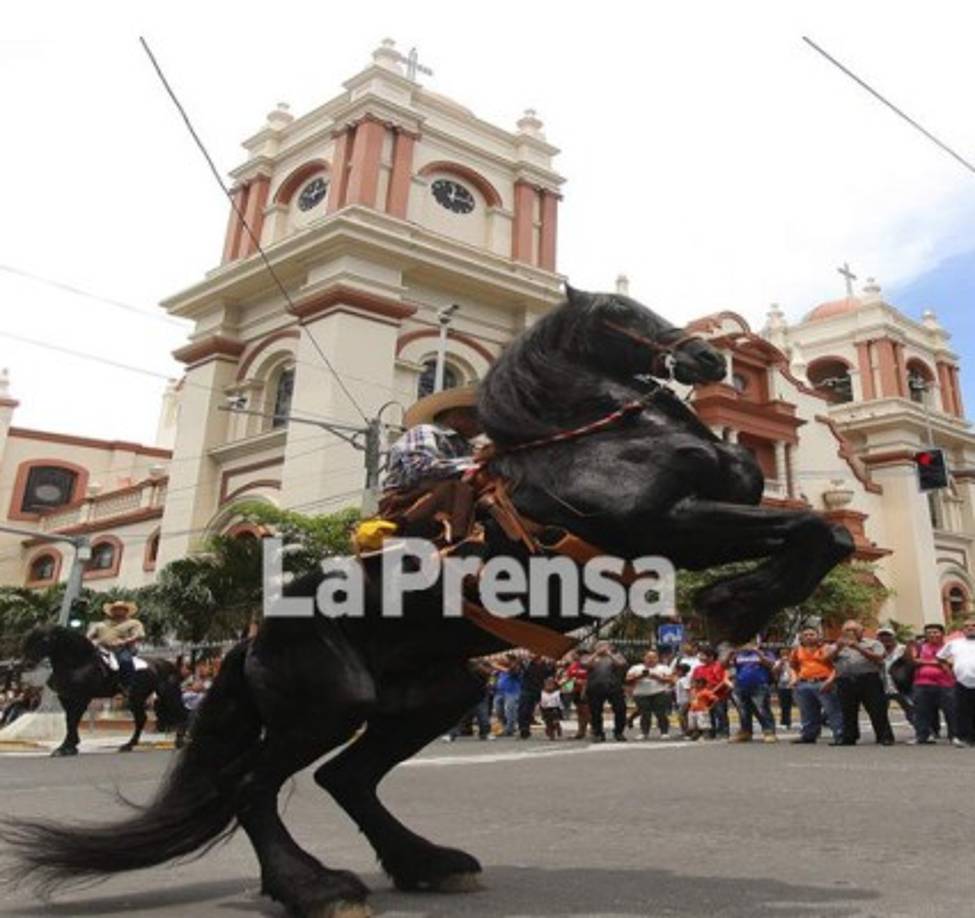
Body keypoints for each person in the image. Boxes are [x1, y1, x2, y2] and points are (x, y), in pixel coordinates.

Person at [381, 386, 483, 544]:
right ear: (457, 415)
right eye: (478, 418)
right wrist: (476, 462)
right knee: (456, 488)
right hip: (406, 501)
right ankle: (459, 541)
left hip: (444, 502)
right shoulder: (425, 431)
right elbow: (421, 468)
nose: (482, 426)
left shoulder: (466, 445)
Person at [825, 620, 895, 746]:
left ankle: (884, 736)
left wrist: (857, 647)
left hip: (869, 679)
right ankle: (849, 737)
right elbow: (827, 660)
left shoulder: (873, 643)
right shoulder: (835, 645)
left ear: (861, 631)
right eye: (847, 630)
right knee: (848, 710)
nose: (850, 633)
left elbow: (879, 658)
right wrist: (839, 648)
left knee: (877, 709)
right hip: (845, 680)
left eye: (854, 630)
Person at [789, 627, 842, 744]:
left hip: (823, 682)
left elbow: (838, 666)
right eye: (806, 635)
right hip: (804, 683)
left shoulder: (827, 649)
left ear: (819, 636)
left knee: (832, 710)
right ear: (801, 637)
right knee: (807, 711)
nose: (808, 637)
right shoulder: (797, 650)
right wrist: (794, 679)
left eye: (812, 634)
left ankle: (840, 735)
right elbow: (793, 666)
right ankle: (809, 735)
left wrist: (830, 681)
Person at [906, 623, 956, 745]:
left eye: (935, 632)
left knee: (951, 711)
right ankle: (922, 736)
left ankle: (955, 736)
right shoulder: (920, 647)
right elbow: (913, 662)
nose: (932, 635)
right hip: (922, 683)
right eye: (929, 633)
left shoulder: (950, 647)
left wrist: (924, 661)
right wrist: (939, 662)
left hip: (946, 683)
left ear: (942, 634)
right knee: (921, 711)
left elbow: (951, 662)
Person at [86, 600, 145, 689]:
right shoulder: (101, 624)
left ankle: (127, 686)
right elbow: (88, 636)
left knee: (125, 661)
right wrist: (90, 641)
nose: (118, 611)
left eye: (121, 609)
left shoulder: (133, 623)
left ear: (126, 611)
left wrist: (126, 641)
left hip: (122, 648)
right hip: (100, 648)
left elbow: (138, 635)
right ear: (112, 611)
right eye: (115, 609)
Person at [728, 642, 777, 743]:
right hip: (741, 685)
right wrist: (730, 654)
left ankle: (769, 731)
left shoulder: (766, 653)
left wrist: (757, 652)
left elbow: (770, 664)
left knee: (762, 709)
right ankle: (746, 732)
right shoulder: (739, 655)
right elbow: (727, 665)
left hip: (759, 685)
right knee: (743, 711)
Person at [938, 617, 975, 747]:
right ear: (962, 630)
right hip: (962, 682)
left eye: (973, 625)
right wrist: (949, 671)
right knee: (963, 711)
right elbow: (941, 658)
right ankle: (965, 738)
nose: (970, 628)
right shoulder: (955, 643)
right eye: (967, 626)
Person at [582, 641, 628, 742]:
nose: (602, 647)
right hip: (595, 687)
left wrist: (609, 654)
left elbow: (621, 664)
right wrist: (595, 654)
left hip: (614, 687)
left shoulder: (616, 655)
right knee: (595, 712)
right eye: (599, 645)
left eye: (604, 645)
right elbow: (585, 664)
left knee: (620, 709)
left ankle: (618, 732)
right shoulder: (588, 656)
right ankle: (598, 733)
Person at [626, 649, 674, 740]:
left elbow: (671, 680)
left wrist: (656, 677)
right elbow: (628, 680)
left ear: (657, 658)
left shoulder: (664, 668)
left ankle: (664, 732)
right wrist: (640, 676)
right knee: (645, 714)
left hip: (659, 693)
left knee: (661, 713)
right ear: (644, 658)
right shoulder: (636, 668)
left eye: (654, 657)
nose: (651, 659)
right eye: (648, 657)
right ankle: (644, 733)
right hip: (641, 694)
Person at [877, 626, 915, 726]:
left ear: (893, 637)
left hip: (901, 685)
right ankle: (886, 738)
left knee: (911, 710)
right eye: (882, 636)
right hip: (882, 686)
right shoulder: (876, 650)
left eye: (888, 635)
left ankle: (923, 734)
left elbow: (911, 663)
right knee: (880, 713)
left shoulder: (902, 649)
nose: (885, 638)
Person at [692, 646, 731, 739]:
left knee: (720, 713)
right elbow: (694, 682)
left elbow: (722, 681)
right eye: (700, 655)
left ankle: (723, 732)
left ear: (711, 657)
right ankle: (711, 732)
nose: (700, 657)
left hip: (718, 695)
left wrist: (712, 691)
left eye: (703, 655)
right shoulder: (698, 669)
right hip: (703, 697)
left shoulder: (718, 667)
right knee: (708, 715)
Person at [518, 655, 555, 739]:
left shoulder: (546, 664)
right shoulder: (526, 663)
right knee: (524, 710)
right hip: (528, 689)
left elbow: (550, 674)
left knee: (547, 711)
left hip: (542, 689)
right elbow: (520, 669)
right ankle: (524, 729)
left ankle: (550, 728)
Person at [561, 652, 590, 739]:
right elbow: (568, 679)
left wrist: (582, 683)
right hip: (575, 691)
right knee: (580, 712)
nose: (575, 656)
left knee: (587, 712)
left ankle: (595, 730)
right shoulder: (573, 665)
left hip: (586, 691)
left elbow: (590, 678)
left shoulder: (589, 665)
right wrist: (566, 687)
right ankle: (581, 732)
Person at [493, 654, 524, 737]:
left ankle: (510, 729)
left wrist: (497, 666)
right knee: (499, 711)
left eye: (504, 659)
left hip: (512, 692)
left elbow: (511, 672)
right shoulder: (500, 670)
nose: (501, 659)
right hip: (499, 692)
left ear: (511, 660)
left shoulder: (516, 668)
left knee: (509, 712)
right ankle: (503, 727)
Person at [773, 648, 794, 731]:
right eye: (782, 653)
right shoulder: (778, 662)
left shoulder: (793, 660)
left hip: (794, 685)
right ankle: (785, 722)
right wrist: (781, 663)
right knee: (784, 705)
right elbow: (775, 672)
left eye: (786, 653)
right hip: (782, 686)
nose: (784, 655)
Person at [673, 663, 693, 737]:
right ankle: (684, 731)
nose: (676, 672)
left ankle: (686, 731)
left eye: (677, 670)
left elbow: (688, 690)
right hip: (681, 701)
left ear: (682, 671)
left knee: (682, 716)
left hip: (685, 701)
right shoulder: (680, 680)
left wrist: (691, 699)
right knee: (682, 716)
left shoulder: (684, 680)